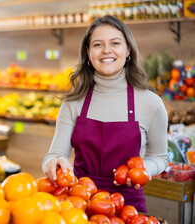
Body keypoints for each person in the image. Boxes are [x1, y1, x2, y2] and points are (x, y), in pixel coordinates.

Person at [42, 15, 168, 213]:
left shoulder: (150, 103)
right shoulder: (74, 101)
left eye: (115, 43)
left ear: (128, 50)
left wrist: (141, 171)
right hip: (79, 204)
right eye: (98, 44)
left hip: (129, 210)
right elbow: (53, 155)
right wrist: (56, 163)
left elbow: (160, 157)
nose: (106, 50)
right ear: (88, 53)